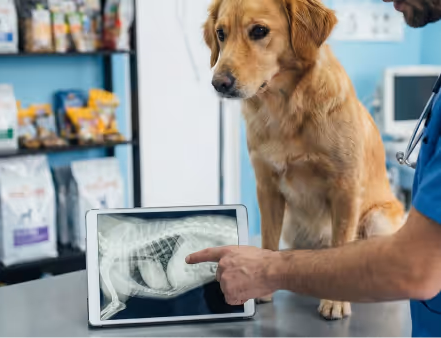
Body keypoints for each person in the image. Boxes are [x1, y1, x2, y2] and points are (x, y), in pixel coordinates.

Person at [186, 0, 441, 336]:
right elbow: (268, 189)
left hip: (372, 241)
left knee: (378, 218)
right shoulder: (258, 110)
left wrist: (280, 272)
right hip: (414, 309)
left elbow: (416, 266)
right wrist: (267, 264)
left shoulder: (337, 108)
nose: (223, 70)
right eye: (222, 35)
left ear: (302, 33)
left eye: (258, 32)